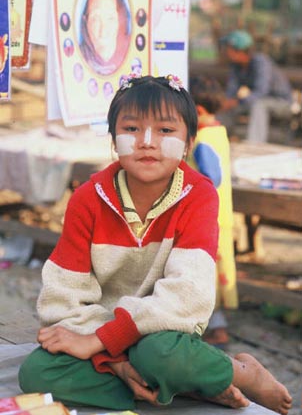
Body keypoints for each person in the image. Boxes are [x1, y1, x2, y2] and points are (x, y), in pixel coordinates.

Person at [18, 75, 292, 415]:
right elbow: (63, 296)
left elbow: (186, 295)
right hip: (99, 331)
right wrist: (113, 359)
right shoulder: (87, 198)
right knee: (37, 373)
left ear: (189, 142)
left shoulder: (199, 196)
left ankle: (243, 374)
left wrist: (98, 344)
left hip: (163, 335)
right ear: (114, 141)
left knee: (156, 354)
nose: (147, 142)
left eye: (165, 131)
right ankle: (183, 385)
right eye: (132, 129)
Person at [188, 75, 238, 349]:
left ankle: (215, 328)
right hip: (223, 213)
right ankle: (217, 326)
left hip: (209, 217)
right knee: (217, 270)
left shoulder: (204, 139)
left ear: (197, 111)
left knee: (207, 272)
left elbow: (212, 177)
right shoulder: (219, 131)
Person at [217, 30, 293, 143]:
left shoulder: (260, 61)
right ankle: (218, 137)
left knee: (259, 104)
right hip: (256, 101)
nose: (226, 52)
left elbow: (262, 91)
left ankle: (254, 144)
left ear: (239, 50)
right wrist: (226, 102)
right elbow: (231, 91)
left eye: (229, 48)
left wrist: (236, 101)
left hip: (282, 103)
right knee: (227, 106)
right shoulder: (235, 66)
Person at [79, 0, 131, 75]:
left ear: (121, 20)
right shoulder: (75, 56)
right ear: (85, 21)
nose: (103, 30)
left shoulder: (134, 53)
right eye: (96, 19)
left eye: (110, 18)